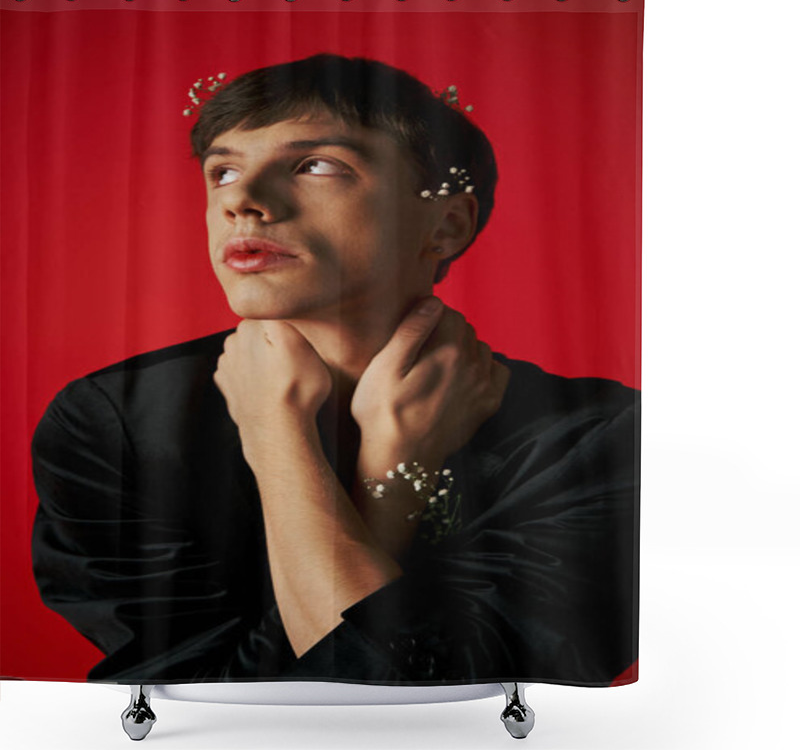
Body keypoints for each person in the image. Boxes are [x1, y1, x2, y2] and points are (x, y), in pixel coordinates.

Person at [30, 53, 639, 686]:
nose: (243, 199)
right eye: (223, 170)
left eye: (316, 164)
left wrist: (276, 437)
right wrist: (370, 479)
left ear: (447, 223)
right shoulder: (115, 422)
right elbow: (204, 705)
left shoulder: (601, 438)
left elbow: (434, 696)